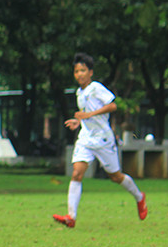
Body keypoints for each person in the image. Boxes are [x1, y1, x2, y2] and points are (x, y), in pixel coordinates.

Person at [53, 53, 147, 228]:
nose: (79, 74)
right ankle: (71, 217)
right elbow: (86, 113)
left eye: (83, 70)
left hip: (103, 139)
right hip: (86, 138)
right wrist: (79, 121)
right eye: (76, 71)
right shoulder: (79, 92)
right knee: (77, 173)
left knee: (115, 177)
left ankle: (139, 198)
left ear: (90, 72)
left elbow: (113, 105)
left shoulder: (96, 87)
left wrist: (89, 115)